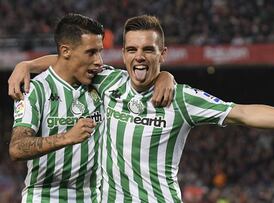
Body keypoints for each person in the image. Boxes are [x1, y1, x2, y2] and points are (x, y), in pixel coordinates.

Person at [8, 15, 274, 203]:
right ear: (124, 54)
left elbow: (244, 112)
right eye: (131, 49)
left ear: (163, 54)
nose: (139, 56)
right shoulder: (108, 82)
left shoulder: (182, 98)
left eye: (148, 49)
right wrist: (27, 66)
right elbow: (67, 61)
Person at [8, 13, 174, 203]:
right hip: (44, 196)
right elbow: (17, 148)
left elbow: (143, 75)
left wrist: (165, 76)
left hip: (93, 197)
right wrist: (66, 137)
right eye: (91, 52)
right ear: (66, 51)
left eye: (99, 52)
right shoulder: (34, 89)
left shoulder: (101, 81)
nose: (99, 61)